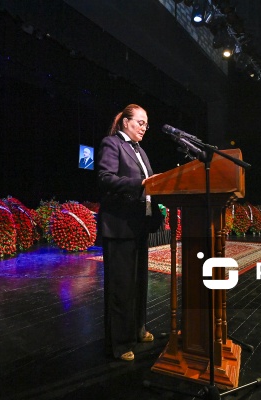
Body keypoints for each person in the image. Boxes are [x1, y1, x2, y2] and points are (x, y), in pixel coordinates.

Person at [96, 104, 158, 362]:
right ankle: (120, 343)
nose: (144, 128)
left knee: (138, 283)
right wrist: (140, 183)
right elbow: (105, 177)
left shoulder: (140, 151)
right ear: (125, 122)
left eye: (146, 124)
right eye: (140, 122)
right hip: (119, 226)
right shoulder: (112, 144)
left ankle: (137, 329)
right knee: (121, 287)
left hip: (138, 225)